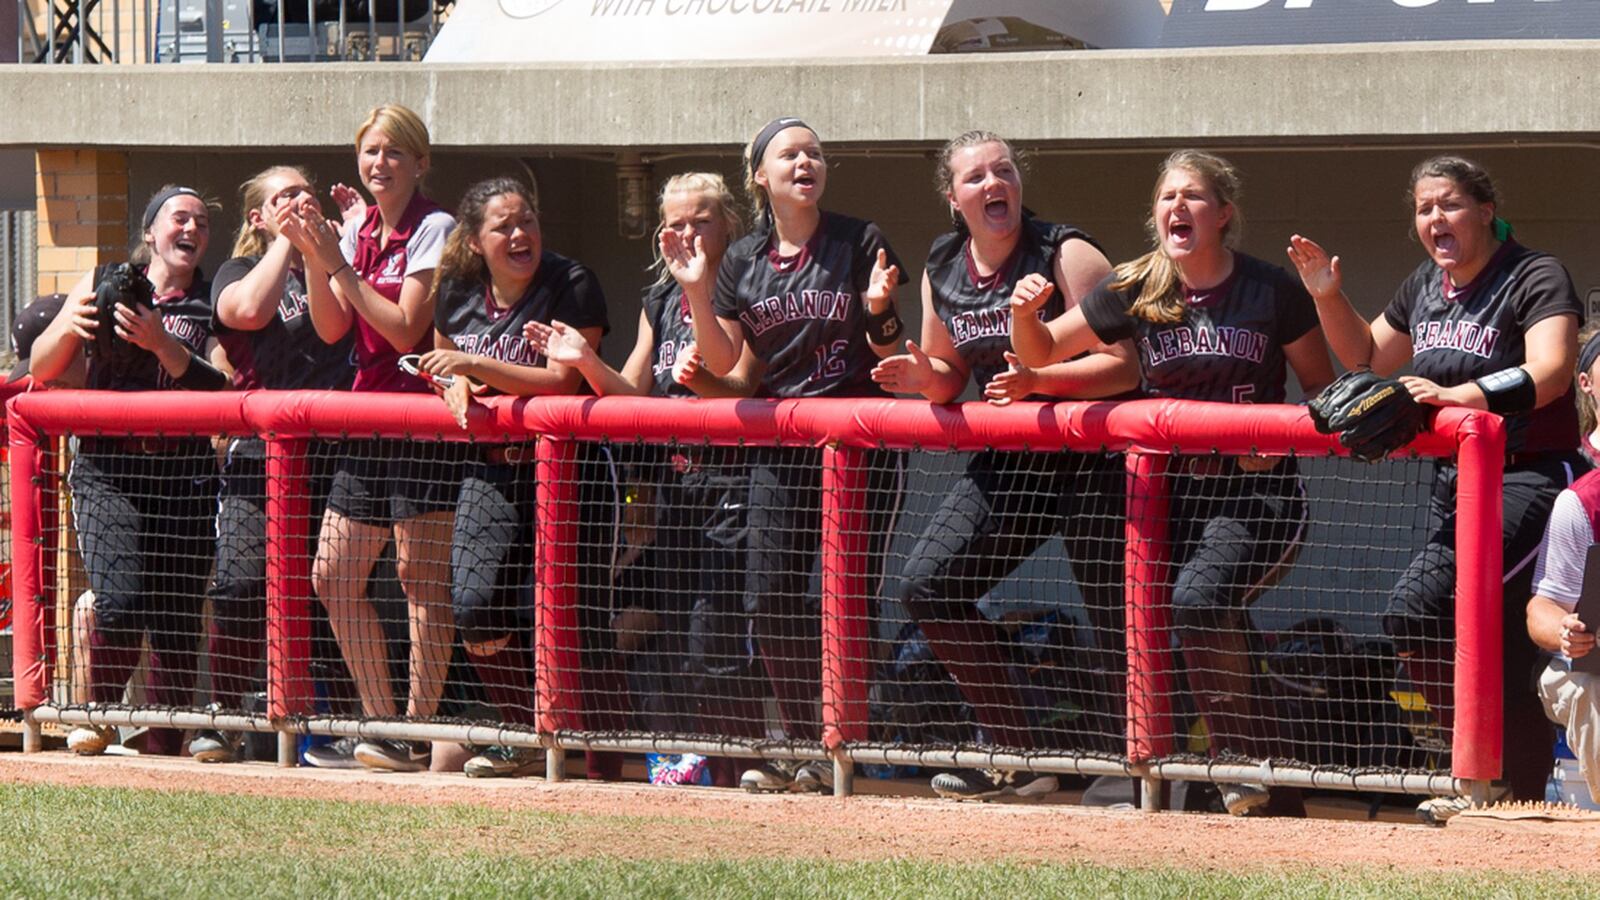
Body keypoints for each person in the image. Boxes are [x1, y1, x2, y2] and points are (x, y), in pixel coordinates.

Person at [1012, 150, 1335, 816]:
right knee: (1192, 616)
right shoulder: (1137, 286)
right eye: (1167, 197)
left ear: (1224, 214)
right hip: (1167, 498)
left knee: (1199, 599)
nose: (1177, 208)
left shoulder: (1270, 288)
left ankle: (1239, 762)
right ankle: (1269, 785)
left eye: (1193, 196)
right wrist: (1024, 313)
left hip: (1257, 493)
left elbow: (1323, 392)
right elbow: (1041, 351)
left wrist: (1274, 440)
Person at [1287, 155, 1585, 824]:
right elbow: (1366, 356)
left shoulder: (1533, 275)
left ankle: (1480, 770)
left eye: (1449, 204)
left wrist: (1459, 395)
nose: (1435, 219)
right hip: (1456, 485)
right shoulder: (1427, 284)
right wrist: (1326, 293)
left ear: (1485, 210)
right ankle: (1510, 791)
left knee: (1416, 607)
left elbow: (1554, 370)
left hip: (1533, 479)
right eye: (1424, 208)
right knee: (1498, 642)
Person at [871, 131, 1138, 801]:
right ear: (952, 197)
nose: (994, 184)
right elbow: (948, 372)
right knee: (928, 586)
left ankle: (1135, 766)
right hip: (1015, 459)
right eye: (976, 177)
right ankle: (1017, 751)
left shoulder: (1066, 253)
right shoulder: (941, 262)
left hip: (1094, 454)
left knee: (1116, 613)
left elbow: (1127, 366)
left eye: (1004, 171)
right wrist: (919, 375)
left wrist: (1043, 384)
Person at [671, 117, 907, 793]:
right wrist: (695, 290)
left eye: (814, 153)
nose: (806, 162)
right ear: (761, 177)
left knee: (842, 597)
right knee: (768, 599)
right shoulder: (741, 258)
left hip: (858, 446)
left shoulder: (860, 239)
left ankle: (842, 748)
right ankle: (807, 742)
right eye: (789, 154)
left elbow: (891, 349)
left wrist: (882, 312)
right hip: (781, 451)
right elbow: (736, 371)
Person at [532, 171, 764, 787]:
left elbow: (742, 382)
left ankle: (744, 766)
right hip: (674, 493)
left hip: (733, 485)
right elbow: (632, 392)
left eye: (700, 220)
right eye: (675, 224)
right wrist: (586, 363)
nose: (685, 232)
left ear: (729, 225)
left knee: (715, 639)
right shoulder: (659, 300)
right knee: (668, 633)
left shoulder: (748, 288)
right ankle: (697, 763)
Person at [410, 175, 611, 778]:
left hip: (568, 471)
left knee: (569, 612)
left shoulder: (571, 282)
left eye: (528, 222)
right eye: (504, 226)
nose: (521, 234)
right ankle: (527, 732)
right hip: (491, 469)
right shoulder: (456, 291)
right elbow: (443, 369)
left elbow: (561, 382)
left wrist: (475, 363)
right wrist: (456, 380)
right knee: (474, 606)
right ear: (475, 241)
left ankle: (605, 752)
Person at [29, 185, 235, 757]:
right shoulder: (105, 280)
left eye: (201, 221)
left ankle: (163, 748)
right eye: (178, 217)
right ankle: (97, 716)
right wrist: (71, 319)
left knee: (175, 617)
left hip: (183, 472)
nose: (191, 228)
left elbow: (221, 388)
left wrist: (161, 343)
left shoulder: (209, 301)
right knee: (119, 601)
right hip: (109, 468)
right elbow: (44, 369)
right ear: (150, 232)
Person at [284, 103, 459, 772]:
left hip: (420, 418)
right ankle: (380, 719)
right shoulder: (354, 227)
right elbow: (332, 329)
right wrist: (313, 255)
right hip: (366, 417)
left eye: (393, 152)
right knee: (331, 576)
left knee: (421, 579)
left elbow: (405, 328)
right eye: (370, 152)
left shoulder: (436, 227)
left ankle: (417, 727)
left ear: (419, 163)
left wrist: (340, 263)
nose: (379, 163)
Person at [189, 165, 359, 763]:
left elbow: (333, 329)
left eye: (303, 193)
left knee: (324, 591)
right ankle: (227, 714)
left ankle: (336, 726)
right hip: (257, 457)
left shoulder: (329, 262)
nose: (298, 201)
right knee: (240, 585)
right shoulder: (238, 271)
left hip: (326, 454)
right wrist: (289, 237)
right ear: (257, 217)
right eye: (281, 197)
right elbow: (248, 313)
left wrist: (319, 248)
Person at [1528, 322, 1600, 805]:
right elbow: (1541, 608)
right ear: (1587, 383)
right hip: (1581, 668)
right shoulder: (1581, 498)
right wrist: (1566, 632)